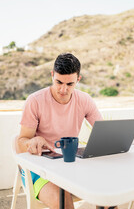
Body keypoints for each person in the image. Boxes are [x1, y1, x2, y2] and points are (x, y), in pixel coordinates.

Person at [16, 53, 118, 209]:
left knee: (108, 197)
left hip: (71, 165)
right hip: (39, 169)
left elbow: (103, 131)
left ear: (78, 79)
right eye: (58, 82)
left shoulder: (84, 100)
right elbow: (20, 143)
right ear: (52, 75)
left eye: (70, 84)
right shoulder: (35, 100)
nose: (63, 89)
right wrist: (31, 142)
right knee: (64, 203)